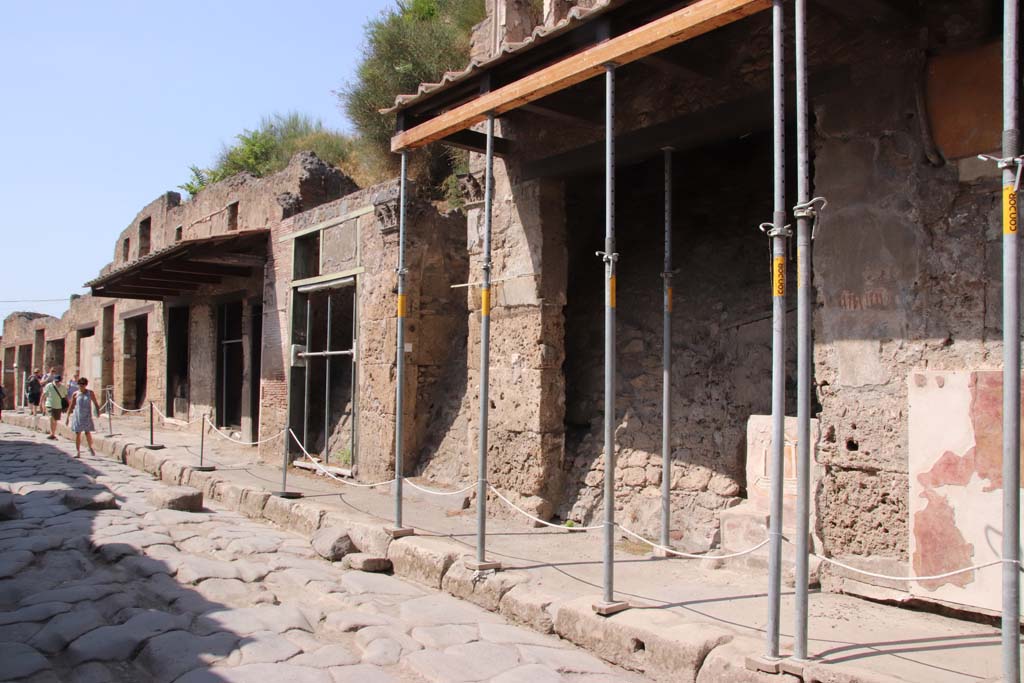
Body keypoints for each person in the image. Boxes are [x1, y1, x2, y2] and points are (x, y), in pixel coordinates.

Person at [66, 377, 100, 457]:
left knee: (87, 433)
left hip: (87, 416)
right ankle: (78, 451)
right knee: (78, 433)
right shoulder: (75, 394)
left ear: (86, 385)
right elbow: (71, 406)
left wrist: (97, 411)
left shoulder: (90, 393)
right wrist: (67, 417)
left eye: (83, 384)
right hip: (78, 416)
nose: (81, 386)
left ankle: (90, 447)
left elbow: (95, 403)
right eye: (80, 384)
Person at [40, 374, 67, 440]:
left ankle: (53, 433)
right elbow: (44, 394)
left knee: (55, 420)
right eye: (56, 381)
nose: (57, 383)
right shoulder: (49, 386)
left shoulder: (63, 387)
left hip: (58, 406)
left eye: (58, 381)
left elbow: (65, 396)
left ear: (60, 381)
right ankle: (52, 434)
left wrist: (68, 405)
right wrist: (41, 403)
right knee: (51, 418)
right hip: (50, 404)